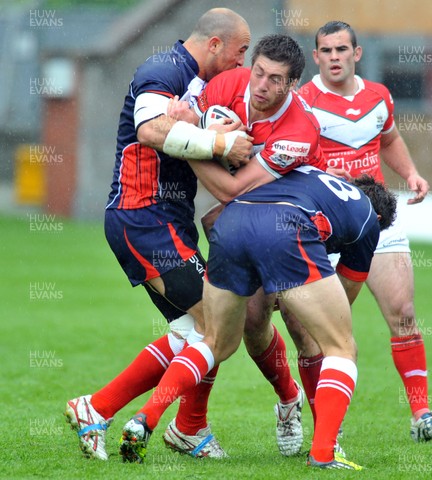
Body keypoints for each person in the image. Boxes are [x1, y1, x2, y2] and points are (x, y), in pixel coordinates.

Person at [117, 33, 327, 464]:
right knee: (242, 323)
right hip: (237, 224)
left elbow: (231, 188)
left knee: (302, 326)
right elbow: (174, 123)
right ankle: (273, 403)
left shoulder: (299, 130)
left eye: (275, 80)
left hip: (288, 226)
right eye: (259, 72)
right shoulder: (228, 83)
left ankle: (324, 435)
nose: (261, 85)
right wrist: (198, 134)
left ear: (293, 85)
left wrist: (192, 139)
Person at [64, 8, 254, 461]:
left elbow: (186, 135)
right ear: (214, 44)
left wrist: (211, 131)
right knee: (219, 323)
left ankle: (99, 407)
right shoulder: (163, 68)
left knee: (194, 330)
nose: (241, 63)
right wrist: (221, 143)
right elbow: (150, 130)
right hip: (143, 219)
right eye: (240, 51)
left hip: (165, 219)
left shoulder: (199, 85)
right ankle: (185, 428)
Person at [120, 165, 397, 470]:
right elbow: (342, 300)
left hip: (231, 224)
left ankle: (146, 417)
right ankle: (324, 453)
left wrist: (258, 276)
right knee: (340, 344)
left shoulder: (307, 174)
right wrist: (291, 288)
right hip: (286, 233)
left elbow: (211, 219)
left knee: (214, 340)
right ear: (381, 219)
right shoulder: (369, 221)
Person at [288, 21, 432, 443]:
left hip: (378, 220)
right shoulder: (301, 101)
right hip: (324, 226)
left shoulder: (378, 96)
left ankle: (422, 414)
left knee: (403, 314)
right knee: (312, 331)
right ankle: (326, 426)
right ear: (315, 57)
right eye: (325, 50)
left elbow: (391, 138)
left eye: (341, 49)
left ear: (356, 53)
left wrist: (412, 173)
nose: (334, 57)